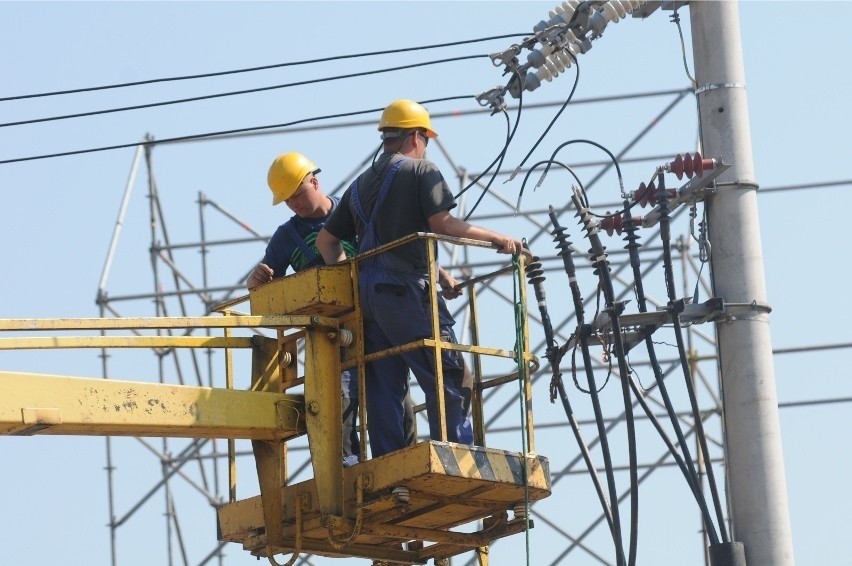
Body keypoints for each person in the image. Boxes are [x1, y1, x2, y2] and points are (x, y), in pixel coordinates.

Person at [317, 99, 523, 458]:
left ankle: (390, 465)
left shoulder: (358, 185)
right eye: (425, 138)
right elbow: (442, 224)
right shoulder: (421, 170)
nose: (425, 145)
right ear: (415, 135)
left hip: (369, 298)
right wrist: (497, 239)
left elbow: (326, 241)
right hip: (406, 294)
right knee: (447, 373)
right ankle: (457, 453)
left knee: (384, 382)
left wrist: (352, 284)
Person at [247, 151, 416, 465]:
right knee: (336, 397)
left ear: (315, 181)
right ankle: (346, 466)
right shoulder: (287, 238)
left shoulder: (355, 210)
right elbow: (266, 288)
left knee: (394, 392)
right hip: (330, 333)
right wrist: (256, 281)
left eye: (298, 194)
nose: (295, 203)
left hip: (375, 319)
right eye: (288, 200)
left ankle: (402, 462)